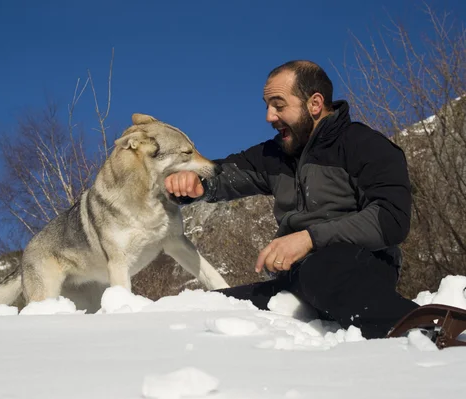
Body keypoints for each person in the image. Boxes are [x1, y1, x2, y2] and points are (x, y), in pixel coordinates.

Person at [164, 60, 420, 339]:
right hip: (298, 277)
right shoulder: (274, 155)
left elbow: (391, 218)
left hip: (359, 266)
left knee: (321, 269)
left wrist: (309, 239)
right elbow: (224, 174)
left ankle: (428, 328)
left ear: (315, 104)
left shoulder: (364, 145)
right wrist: (195, 182)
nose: (269, 117)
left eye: (279, 105)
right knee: (218, 307)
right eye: (267, 105)